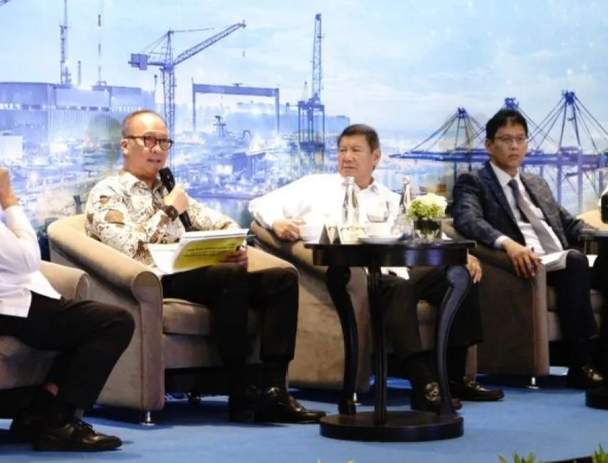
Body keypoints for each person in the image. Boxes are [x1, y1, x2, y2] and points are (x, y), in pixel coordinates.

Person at [0, 101, 135, 452]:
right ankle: (58, 422)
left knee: (85, 319)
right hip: (5, 305)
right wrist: (8, 198)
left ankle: (39, 413)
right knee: (115, 322)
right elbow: (28, 258)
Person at [84, 109, 325, 424]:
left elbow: (217, 220)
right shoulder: (108, 193)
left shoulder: (166, 189)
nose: (157, 149)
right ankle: (240, 390)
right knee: (229, 276)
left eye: (164, 142)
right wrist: (169, 210)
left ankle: (275, 390)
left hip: (193, 274)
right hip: (152, 279)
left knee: (280, 279)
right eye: (148, 140)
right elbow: (132, 252)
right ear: (126, 145)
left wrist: (233, 242)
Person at [249, 124, 504, 412]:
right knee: (400, 288)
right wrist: (277, 222)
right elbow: (260, 205)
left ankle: (456, 378)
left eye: (356, 150)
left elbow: (420, 231)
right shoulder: (314, 186)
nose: (347, 157)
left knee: (457, 275)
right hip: (351, 276)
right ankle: (423, 382)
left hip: (394, 271)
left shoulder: (389, 197)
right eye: (342, 150)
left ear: (376, 157)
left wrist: (457, 254)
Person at [452, 108, 606, 388]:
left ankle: (602, 359)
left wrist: (603, 235)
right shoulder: (473, 181)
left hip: (558, 260)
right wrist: (508, 244)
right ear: (489, 145)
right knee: (575, 261)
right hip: (524, 263)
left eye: (520, 139)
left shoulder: (536, 182)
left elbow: (570, 225)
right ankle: (581, 362)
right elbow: (467, 220)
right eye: (506, 139)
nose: (514, 146)